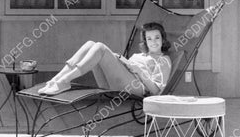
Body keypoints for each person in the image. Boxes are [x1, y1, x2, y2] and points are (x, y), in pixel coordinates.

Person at [38, 22, 172, 97]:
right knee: (91, 44)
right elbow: (124, 69)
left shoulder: (163, 60)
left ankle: (65, 81)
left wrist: (139, 71)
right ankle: (56, 79)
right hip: (114, 83)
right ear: (145, 41)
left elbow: (156, 91)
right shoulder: (140, 55)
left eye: (157, 38)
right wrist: (119, 60)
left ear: (163, 39)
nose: (153, 42)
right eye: (149, 38)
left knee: (100, 47)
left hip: (136, 88)